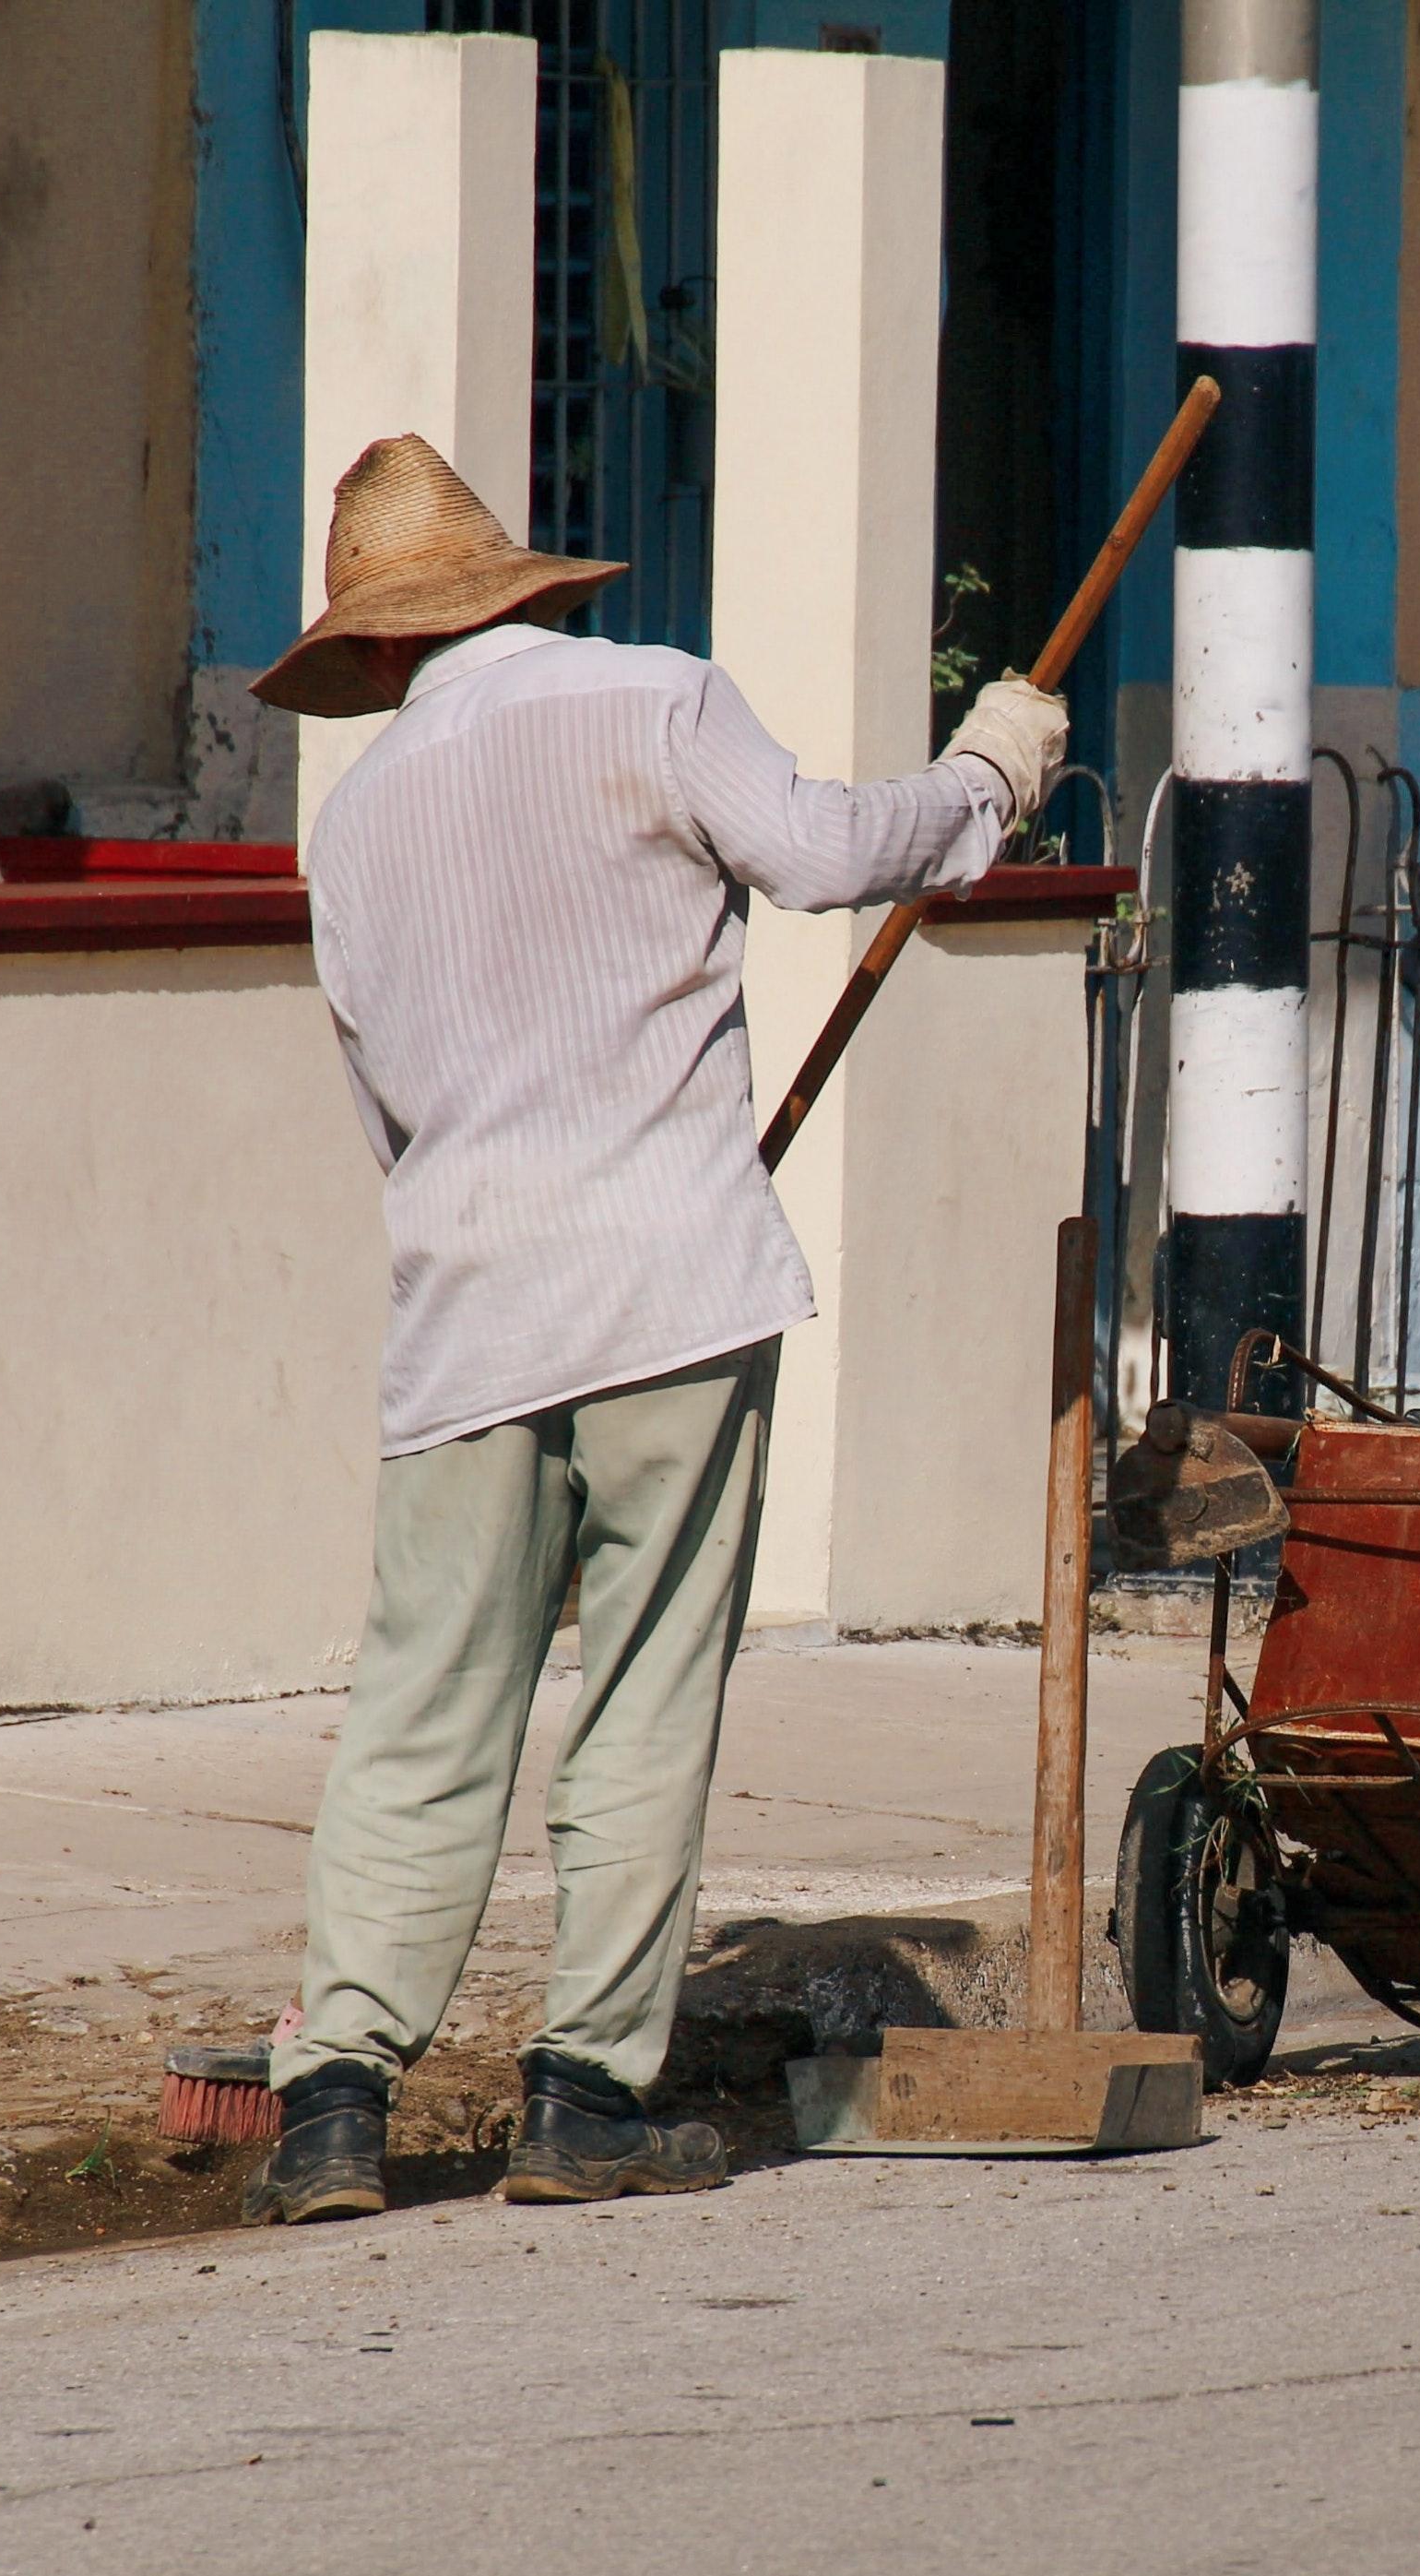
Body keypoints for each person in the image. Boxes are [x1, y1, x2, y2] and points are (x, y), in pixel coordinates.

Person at [238, 433, 1066, 2222]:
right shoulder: (653, 700)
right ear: (514, 589)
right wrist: (984, 775)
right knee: (639, 1696)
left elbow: (383, 1101)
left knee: (421, 1708)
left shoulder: (356, 822)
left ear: (377, 652)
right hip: (666, 1292)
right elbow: (831, 854)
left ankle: (331, 2104)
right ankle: (581, 2099)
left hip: (464, 1312)